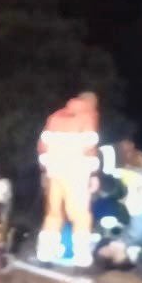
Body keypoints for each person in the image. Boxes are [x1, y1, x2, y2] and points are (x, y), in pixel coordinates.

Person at [36, 92, 100, 266]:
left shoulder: (55, 117)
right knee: (80, 214)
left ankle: (46, 252)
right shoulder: (88, 116)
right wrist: (94, 175)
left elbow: (42, 146)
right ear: (91, 103)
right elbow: (89, 147)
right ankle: (82, 255)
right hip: (77, 171)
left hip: (54, 171)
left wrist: (45, 170)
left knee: (53, 213)